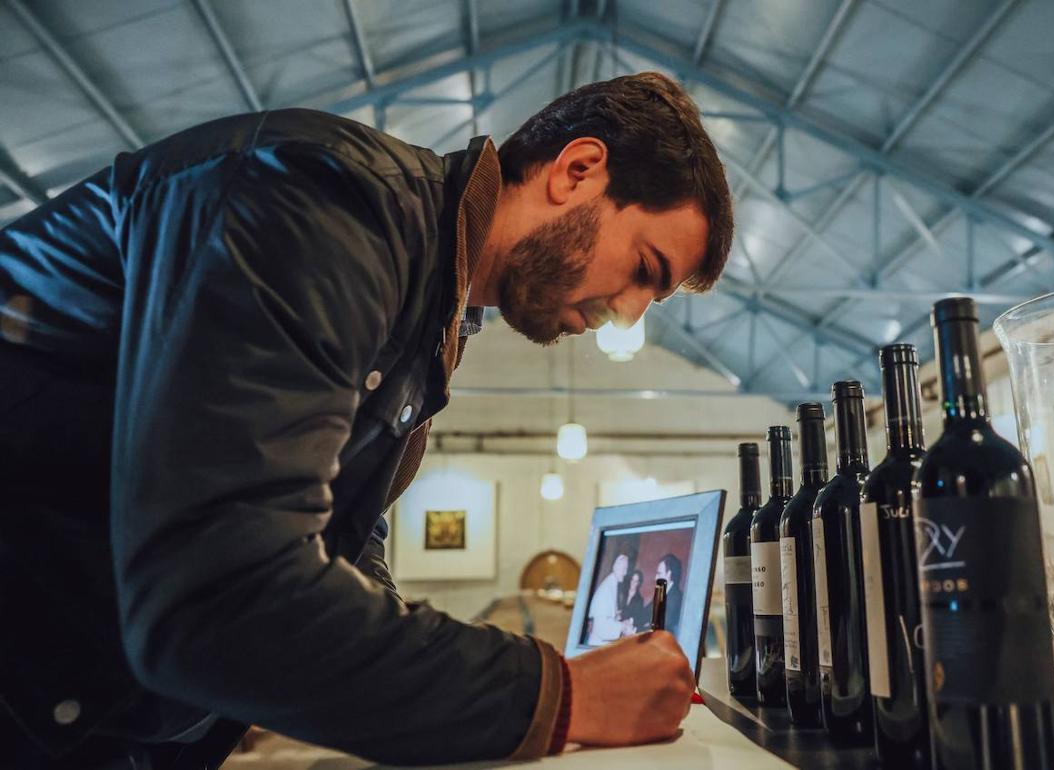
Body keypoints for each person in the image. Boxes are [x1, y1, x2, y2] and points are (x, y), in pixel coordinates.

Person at [0, 71, 731, 769]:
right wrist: (560, 694)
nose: (627, 313)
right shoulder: (323, 202)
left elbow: (342, 544)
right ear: (576, 170)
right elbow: (218, 597)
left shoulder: (433, 309)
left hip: (91, 722)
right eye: (644, 268)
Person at [586, 553, 631, 645]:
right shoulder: (606, 588)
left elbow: (607, 616)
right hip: (597, 645)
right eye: (624, 569)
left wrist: (617, 618)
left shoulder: (612, 584)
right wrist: (622, 627)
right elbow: (601, 628)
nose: (625, 573)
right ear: (616, 566)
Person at [656, 554, 686, 637]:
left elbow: (662, 624)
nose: (656, 578)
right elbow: (647, 612)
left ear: (668, 574)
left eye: (659, 574)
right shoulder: (662, 592)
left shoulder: (676, 597)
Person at [621, 569, 650, 634]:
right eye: (632, 580)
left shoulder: (639, 600)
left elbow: (637, 619)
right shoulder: (622, 593)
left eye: (636, 581)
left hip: (626, 629)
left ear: (638, 583)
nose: (633, 583)